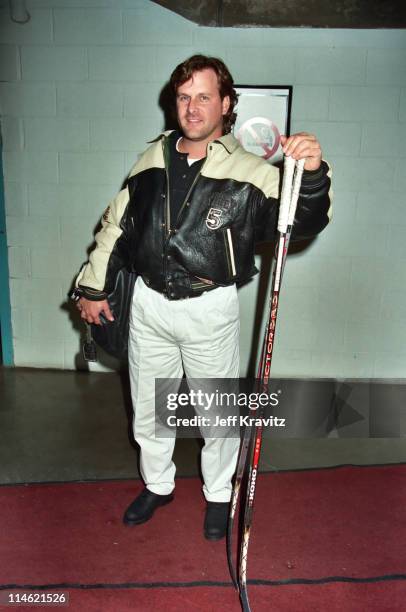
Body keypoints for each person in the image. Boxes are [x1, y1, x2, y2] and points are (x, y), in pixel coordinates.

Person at [73, 55, 331, 541]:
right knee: (149, 409)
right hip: (148, 304)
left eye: (204, 97)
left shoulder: (253, 172)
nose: (193, 108)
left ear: (226, 104)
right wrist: (92, 287)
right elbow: (116, 228)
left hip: (208, 307)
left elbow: (301, 219)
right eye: (184, 97)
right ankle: (158, 484)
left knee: (216, 413)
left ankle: (217, 494)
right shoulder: (149, 159)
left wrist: (312, 174)